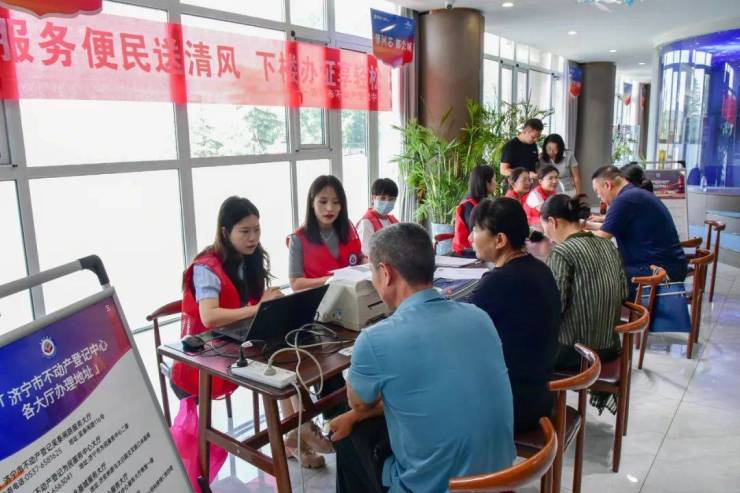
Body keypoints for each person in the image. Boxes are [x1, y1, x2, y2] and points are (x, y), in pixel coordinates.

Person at [329, 223, 515, 493]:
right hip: (502, 478)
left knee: (349, 439)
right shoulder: (479, 317)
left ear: (385, 273)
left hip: (435, 488)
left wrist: (356, 412)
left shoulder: (374, 339)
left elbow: (358, 403)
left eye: (372, 272)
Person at [465, 197, 561, 432]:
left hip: (513, 405)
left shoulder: (499, 281)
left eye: (476, 230)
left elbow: (457, 326)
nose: (470, 238)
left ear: (500, 240)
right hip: (539, 393)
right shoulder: (540, 268)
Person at [176, 196, 283, 401]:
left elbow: (252, 301)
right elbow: (209, 317)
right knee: (275, 364)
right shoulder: (206, 266)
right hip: (204, 356)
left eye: (257, 230)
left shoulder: (249, 257)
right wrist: (259, 308)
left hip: (233, 342)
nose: (253, 238)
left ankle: (297, 420)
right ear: (225, 232)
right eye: (245, 231)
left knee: (283, 357)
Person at [540, 194, 628, 413]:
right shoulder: (607, 245)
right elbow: (624, 292)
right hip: (610, 347)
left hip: (578, 353)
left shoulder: (562, 252)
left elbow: (555, 308)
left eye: (544, 228)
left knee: (521, 349)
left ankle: (541, 416)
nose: (545, 234)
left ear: (552, 222)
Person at [591, 165, 687, 289]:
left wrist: (572, 232)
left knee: (596, 276)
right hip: (670, 266)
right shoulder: (636, 194)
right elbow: (610, 228)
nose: (599, 196)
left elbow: (600, 239)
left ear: (607, 185)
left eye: (597, 191)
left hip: (658, 271)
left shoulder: (624, 200)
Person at [289, 175, 364, 291]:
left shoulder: (349, 227)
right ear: (312, 203)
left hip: (353, 295)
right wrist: (330, 280)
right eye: (323, 202)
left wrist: (371, 265)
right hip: (319, 299)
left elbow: (359, 257)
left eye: (336, 202)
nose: (330, 208)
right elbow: (295, 283)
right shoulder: (298, 238)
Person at [452, 165, 496, 255]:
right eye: (494, 179)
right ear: (486, 182)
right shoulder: (469, 205)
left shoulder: (480, 202)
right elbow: (478, 234)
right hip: (467, 252)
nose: (496, 183)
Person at [356, 178, 399, 256]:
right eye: (383, 198)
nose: (387, 202)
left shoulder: (394, 221)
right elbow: (366, 254)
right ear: (373, 198)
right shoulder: (366, 223)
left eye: (391, 199)